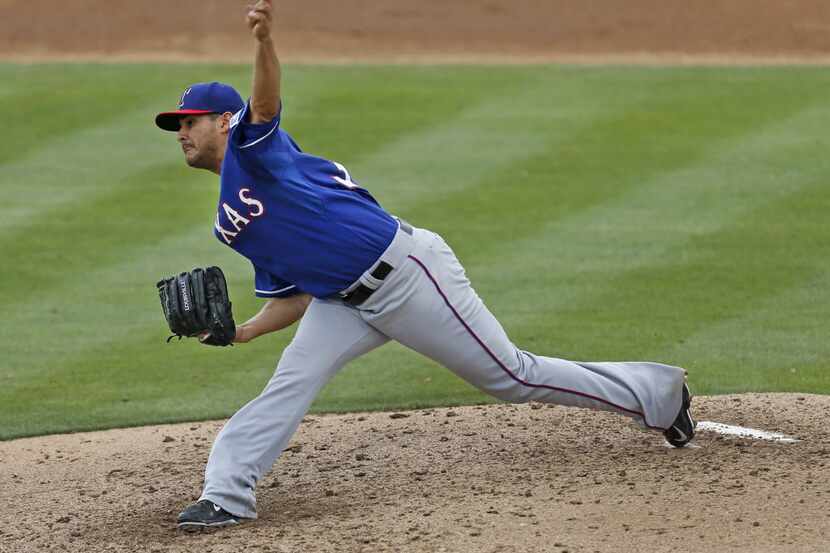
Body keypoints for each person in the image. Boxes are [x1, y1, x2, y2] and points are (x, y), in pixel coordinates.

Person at [155, 0, 695, 532]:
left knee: (511, 375)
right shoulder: (229, 223)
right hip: (340, 303)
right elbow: (294, 295)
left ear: (226, 122)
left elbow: (267, 104)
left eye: (191, 121)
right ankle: (226, 495)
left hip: (409, 275)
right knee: (289, 384)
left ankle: (658, 396)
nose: (181, 132)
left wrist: (264, 41)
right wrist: (244, 333)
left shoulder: (256, 149)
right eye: (176, 125)